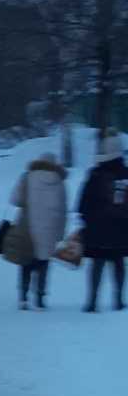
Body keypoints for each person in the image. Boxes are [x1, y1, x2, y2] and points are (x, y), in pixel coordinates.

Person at [76, 130, 128, 312]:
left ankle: (92, 301)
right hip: (121, 226)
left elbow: (83, 202)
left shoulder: (95, 174)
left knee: (97, 263)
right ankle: (118, 300)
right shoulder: (126, 174)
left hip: (97, 226)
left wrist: (85, 218)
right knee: (119, 262)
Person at [8, 152, 67, 309]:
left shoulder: (27, 177)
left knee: (26, 262)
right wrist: (60, 234)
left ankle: (23, 298)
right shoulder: (60, 182)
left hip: (28, 226)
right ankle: (40, 297)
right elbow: (63, 210)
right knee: (44, 263)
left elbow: (15, 200)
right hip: (50, 229)